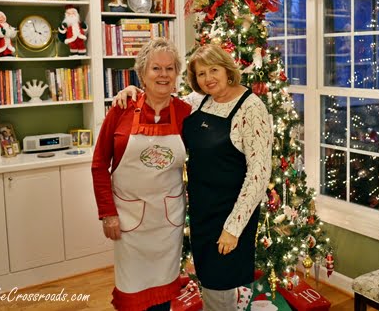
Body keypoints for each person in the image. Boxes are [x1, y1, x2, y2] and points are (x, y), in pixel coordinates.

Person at [114, 44, 273, 311]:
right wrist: (134, 93)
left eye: (214, 70)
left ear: (227, 69)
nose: (208, 78)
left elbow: (259, 174)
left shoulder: (251, 108)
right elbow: (162, 99)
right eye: (201, 74)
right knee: (209, 285)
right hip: (202, 215)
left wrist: (233, 228)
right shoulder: (201, 101)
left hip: (229, 217)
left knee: (220, 288)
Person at [92, 38, 192, 311]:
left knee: (162, 295)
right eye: (156, 69)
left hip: (167, 221)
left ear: (176, 75)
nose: (163, 75)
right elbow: (100, 164)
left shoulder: (186, 112)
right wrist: (108, 213)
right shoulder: (122, 108)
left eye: (170, 69)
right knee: (132, 293)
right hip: (128, 221)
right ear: (142, 75)